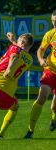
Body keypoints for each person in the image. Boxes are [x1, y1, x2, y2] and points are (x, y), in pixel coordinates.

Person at [24, 10, 56, 139]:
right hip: (50, 71)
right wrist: (41, 59)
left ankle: (54, 120)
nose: (54, 24)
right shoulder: (50, 34)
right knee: (42, 97)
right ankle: (30, 131)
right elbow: (41, 50)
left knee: (54, 106)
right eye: (53, 21)